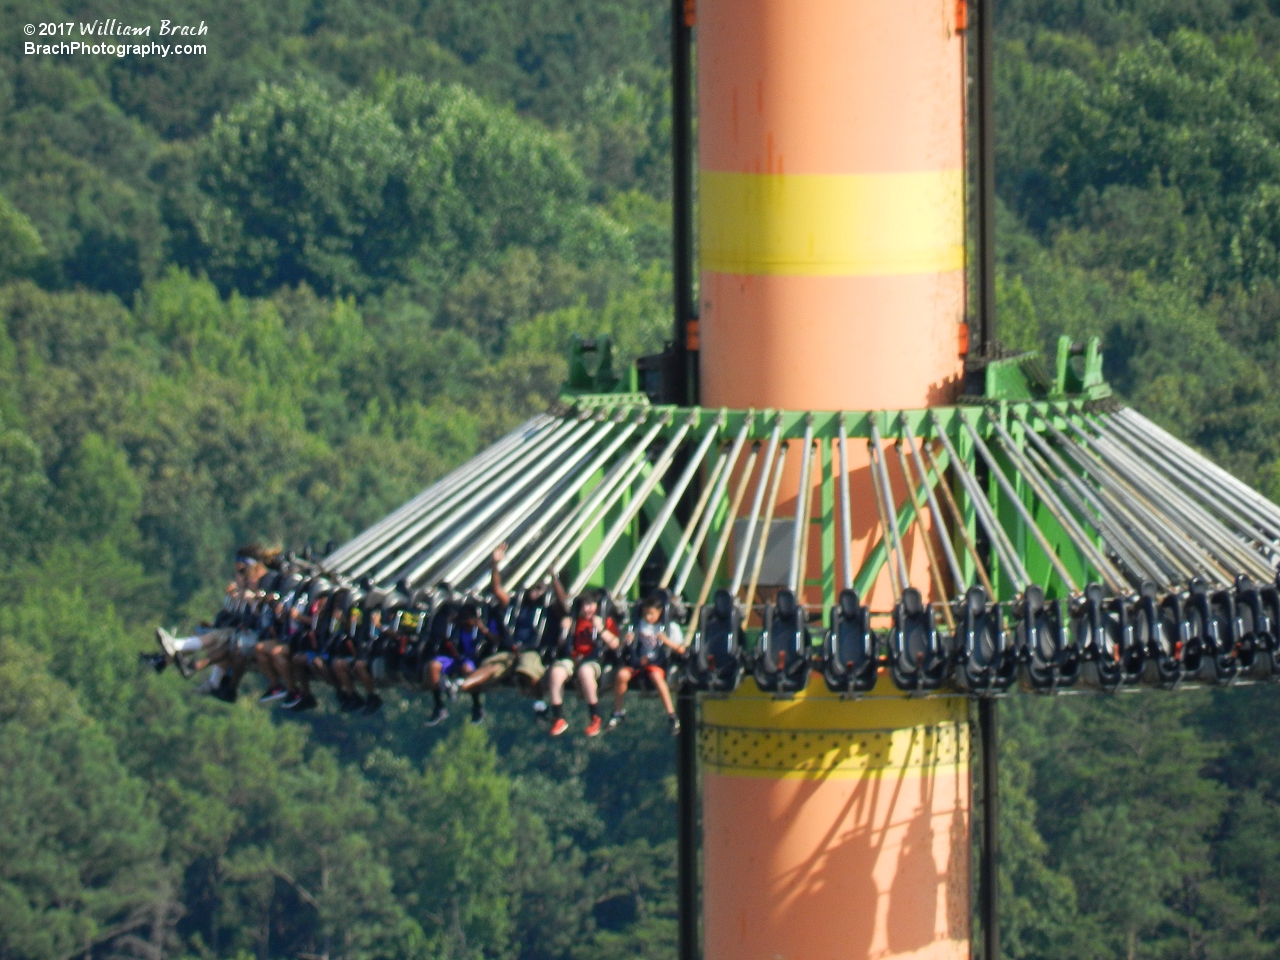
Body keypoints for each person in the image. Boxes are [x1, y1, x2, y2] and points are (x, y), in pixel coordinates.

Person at [459, 544, 550, 699]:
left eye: (539, 589)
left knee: (528, 670)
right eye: (534, 587)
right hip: (508, 651)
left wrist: (553, 576)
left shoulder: (546, 610)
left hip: (530, 650)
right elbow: (497, 589)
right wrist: (495, 564)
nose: (535, 591)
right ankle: (462, 686)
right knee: (492, 666)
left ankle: (540, 704)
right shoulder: (514, 604)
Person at [546, 587, 618, 737]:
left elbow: (615, 644)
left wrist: (601, 629)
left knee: (585, 672)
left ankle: (595, 716)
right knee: (556, 672)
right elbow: (561, 644)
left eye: (590, 605)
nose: (586, 609)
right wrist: (564, 630)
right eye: (584, 605)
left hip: (593, 660)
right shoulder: (574, 621)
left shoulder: (605, 621)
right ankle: (558, 717)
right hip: (573, 658)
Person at [611, 593, 685, 735]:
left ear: (659, 612)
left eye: (651, 614)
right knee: (621, 675)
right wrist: (627, 641)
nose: (647, 617)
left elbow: (681, 649)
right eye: (645, 613)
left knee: (656, 676)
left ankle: (671, 715)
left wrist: (666, 641)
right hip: (638, 662)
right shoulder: (637, 626)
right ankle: (617, 711)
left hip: (657, 663)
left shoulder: (670, 628)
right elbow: (624, 648)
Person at [425, 600, 494, 725]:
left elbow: (489, 644)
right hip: (454, 659)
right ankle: (439, 706)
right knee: (432, 666)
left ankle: (477, 706)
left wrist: (483, 630)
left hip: (471, 660)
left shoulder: (479, 632)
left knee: (467, 669)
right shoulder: (455, 630)